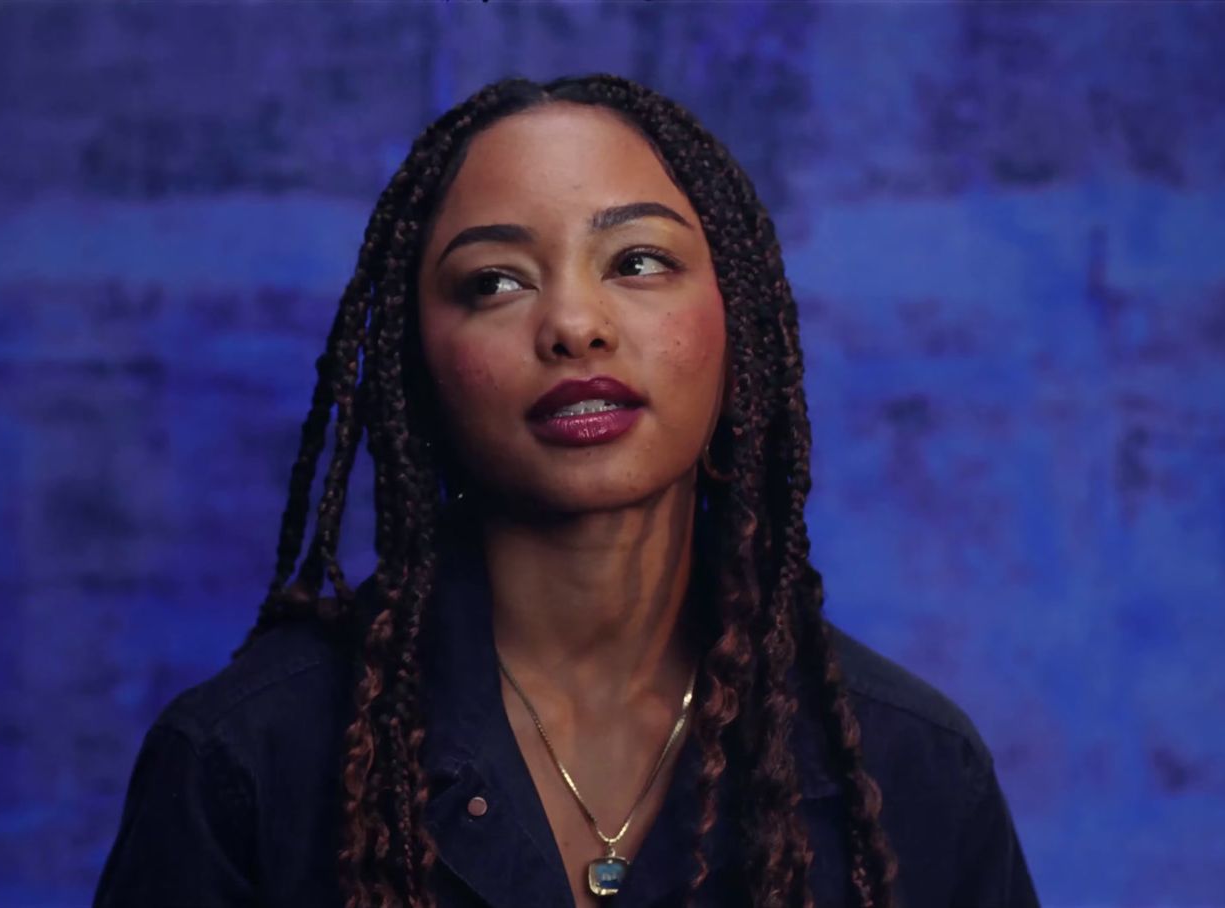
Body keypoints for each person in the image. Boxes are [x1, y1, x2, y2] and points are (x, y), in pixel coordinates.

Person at [93, 73, 1039, 908]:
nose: (575, 325)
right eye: (495, 282)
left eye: (637, 262)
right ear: (417, 364)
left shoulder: (912, 768)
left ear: (737, 322)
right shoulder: (244, 764)